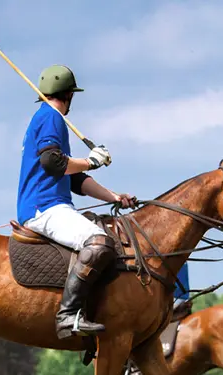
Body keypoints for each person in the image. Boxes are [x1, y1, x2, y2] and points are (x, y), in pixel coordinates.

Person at [18, 64, 136, 339]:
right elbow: (52, 163)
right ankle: (68, 315)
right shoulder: (51, 117)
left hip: (53, 203)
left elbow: (72, 178)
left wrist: (113, 196)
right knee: (100, 242)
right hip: (44, 207)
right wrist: (92, 160)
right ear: (70, 94)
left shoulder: (46, 117)